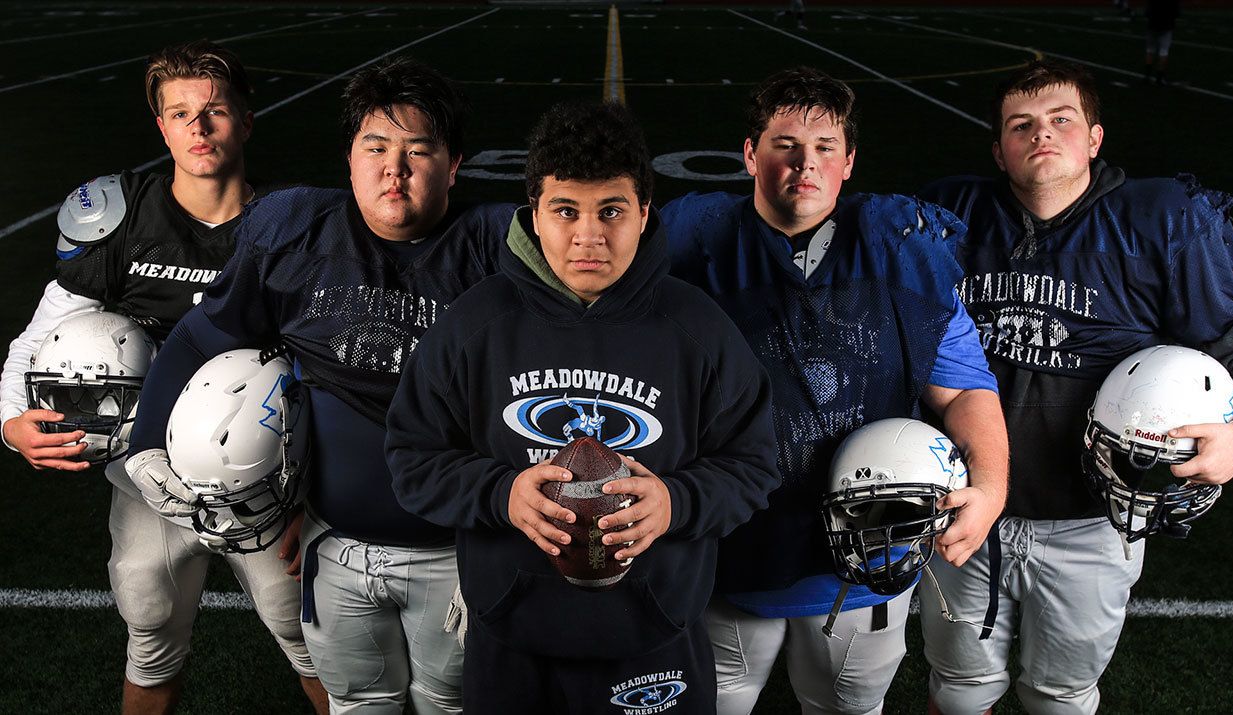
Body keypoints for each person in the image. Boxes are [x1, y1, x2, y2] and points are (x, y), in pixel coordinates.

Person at [124, 56, 514, 713]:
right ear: (349, 158)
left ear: (453, 165)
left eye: (419, 150)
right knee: (359, 702)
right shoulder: (293, 231)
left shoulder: (497, 247)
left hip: (457, 551)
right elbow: (200, 336)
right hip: (334, 545)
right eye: (376, 147)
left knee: (454, 703)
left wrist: (507, 548)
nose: (395, 169)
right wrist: (143, 442)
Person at [384, 101, 781, 714]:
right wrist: (501, 494)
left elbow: (755, 464)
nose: (588, 236)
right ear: (535, 215)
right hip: (512, 637)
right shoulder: (475, 324)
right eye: (565, 211)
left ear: (645, 214)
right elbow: (412, 459)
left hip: (654, 637)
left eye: (612, 211)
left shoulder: (697, 328)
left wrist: (677, 501)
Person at [917, 58, 1233, 715]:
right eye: (1021, 125)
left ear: (1095, 138)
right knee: (959, 691)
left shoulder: (1161, 220)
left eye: (1061, 120)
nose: (1042, 134)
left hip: (1092, 519)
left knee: (1060, 697)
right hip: (964, 506)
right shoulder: (952, 215)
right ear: (998, 149)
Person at [661, 67, 1009, 715]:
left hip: (865, 554)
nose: (804, 163)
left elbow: (963, 391)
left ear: (849, 162)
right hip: (728, 548)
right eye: (784, 144)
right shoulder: (690, 245)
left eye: (824, 147)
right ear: (749, 154)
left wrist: (989, 488)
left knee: (846, 707)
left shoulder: (900, 250)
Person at [0, 40, 328, 714]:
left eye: (213, 111)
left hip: (265, 480)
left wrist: (323, 499)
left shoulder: (294, 225)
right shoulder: (124, 219)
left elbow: (332, 365)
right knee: (148, 616)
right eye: (180, 114)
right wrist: (9, 423)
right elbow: (37, 335)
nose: (198, 129)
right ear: (161, 127)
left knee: (304, 629)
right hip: (145, 470)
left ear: (246, 116)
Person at [1144, 0, 1181, 85]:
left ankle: (1147, 76)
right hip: (1166, 25)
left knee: (1150, 50)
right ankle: (1159, 77)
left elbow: (1146, 12)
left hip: (1152, 25)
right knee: (1163, 51)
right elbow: (1177, 13)